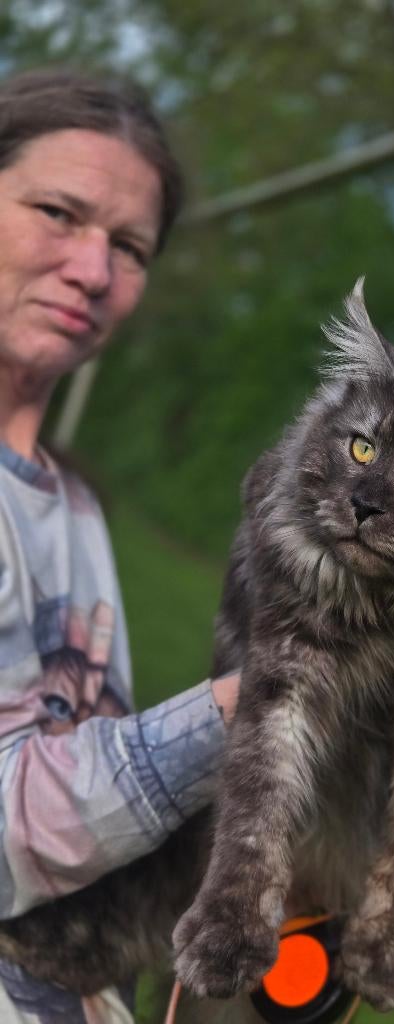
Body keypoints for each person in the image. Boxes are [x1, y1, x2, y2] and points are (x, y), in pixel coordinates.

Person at [0, 68, 240, 1022]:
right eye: (59, 212)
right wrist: (261, 706)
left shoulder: (78, 508)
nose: (94, 272)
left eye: (130, 247)